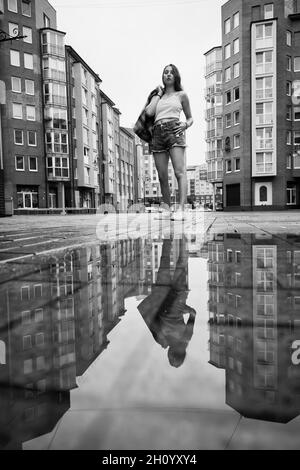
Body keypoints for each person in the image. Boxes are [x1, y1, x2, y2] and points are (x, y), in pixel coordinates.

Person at [138, 237, 196, 368]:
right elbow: (149, 318)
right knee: (165, 261)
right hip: (162, 295)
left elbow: (193, 313)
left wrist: (183, 309)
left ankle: (182, 236)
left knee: (181, 263)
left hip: (178, 298)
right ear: (170, 353)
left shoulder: (186, 338)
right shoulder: (161, 340)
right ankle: (169, 235)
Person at [145, 64, 193, 221]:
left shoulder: (181, 95)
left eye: (171, 72)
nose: (168, 74)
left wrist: (186, 124)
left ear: (176, 76)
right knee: (162, 175)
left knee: (179, 171)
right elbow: (149, 112)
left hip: (174, 130)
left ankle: (182, 209)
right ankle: (166, 208)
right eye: (165, 72)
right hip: (157, 133)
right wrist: (158, 94)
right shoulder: (157, 95)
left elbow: (190, 118)